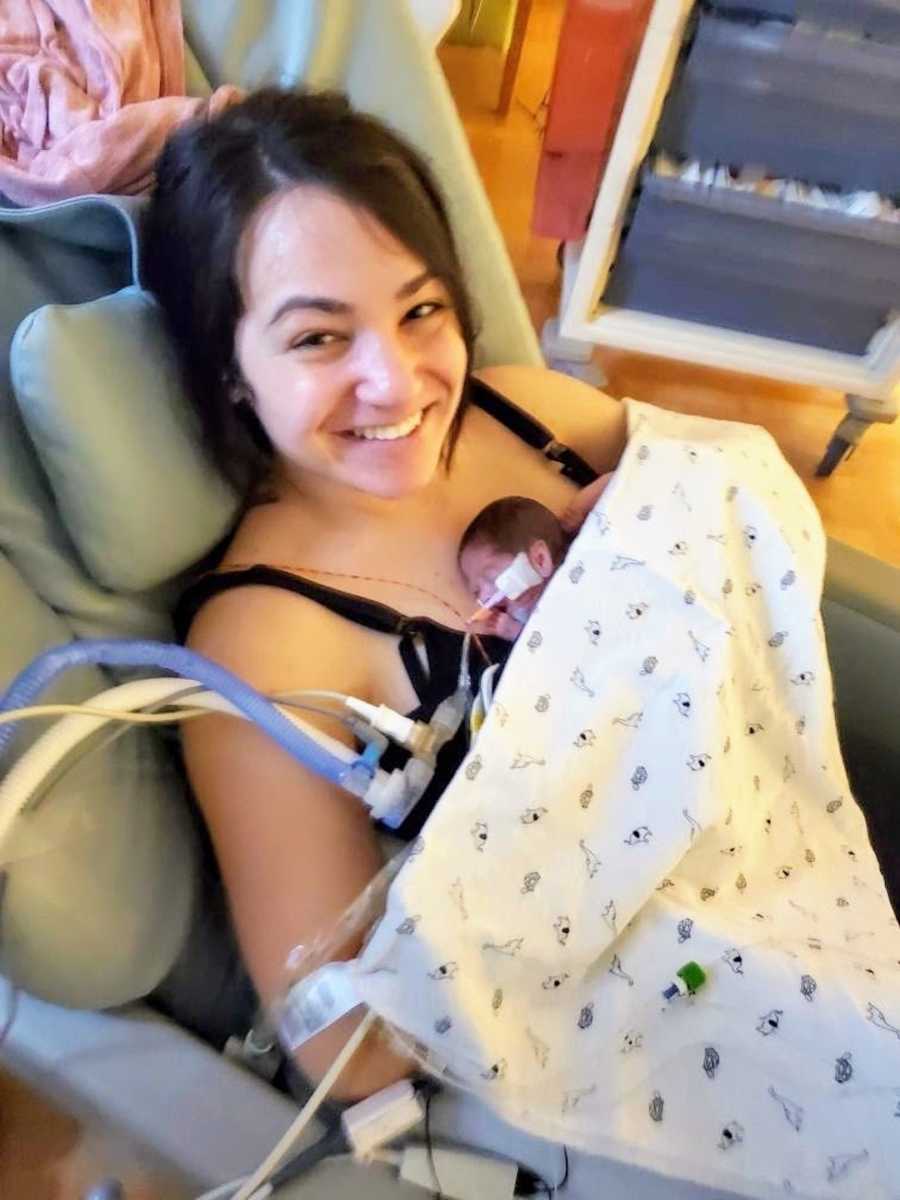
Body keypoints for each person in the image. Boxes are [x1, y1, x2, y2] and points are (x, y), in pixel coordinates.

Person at [144, 88, 627, 1101]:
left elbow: (735, 523)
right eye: (320, 338)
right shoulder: (269, 646)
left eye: (420, 311)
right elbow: (347, 1049)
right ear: (229, 368)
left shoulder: (536, 415)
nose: (399, 384)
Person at [459, 475, 614, 640]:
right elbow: (545, 646)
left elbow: (617, 480)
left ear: (540, 559)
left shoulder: (578, 557)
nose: (483, 598)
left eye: (490, 577)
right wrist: (514, 631)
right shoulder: (518, 613)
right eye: (476, 591)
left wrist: (575, 512)